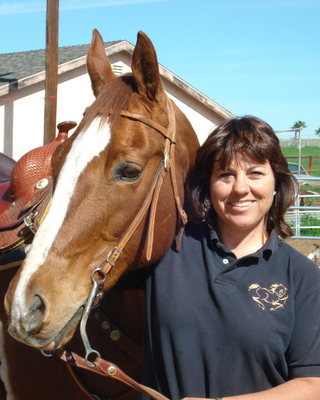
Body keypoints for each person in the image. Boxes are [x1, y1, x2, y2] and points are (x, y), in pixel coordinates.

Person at [121, 115, 320, 400]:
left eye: (255, 173)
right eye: (226, 174)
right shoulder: (169, 247)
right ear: (209, 185)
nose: (240, 188)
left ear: (276, 182)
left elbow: (313, 384)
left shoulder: (304, 277)